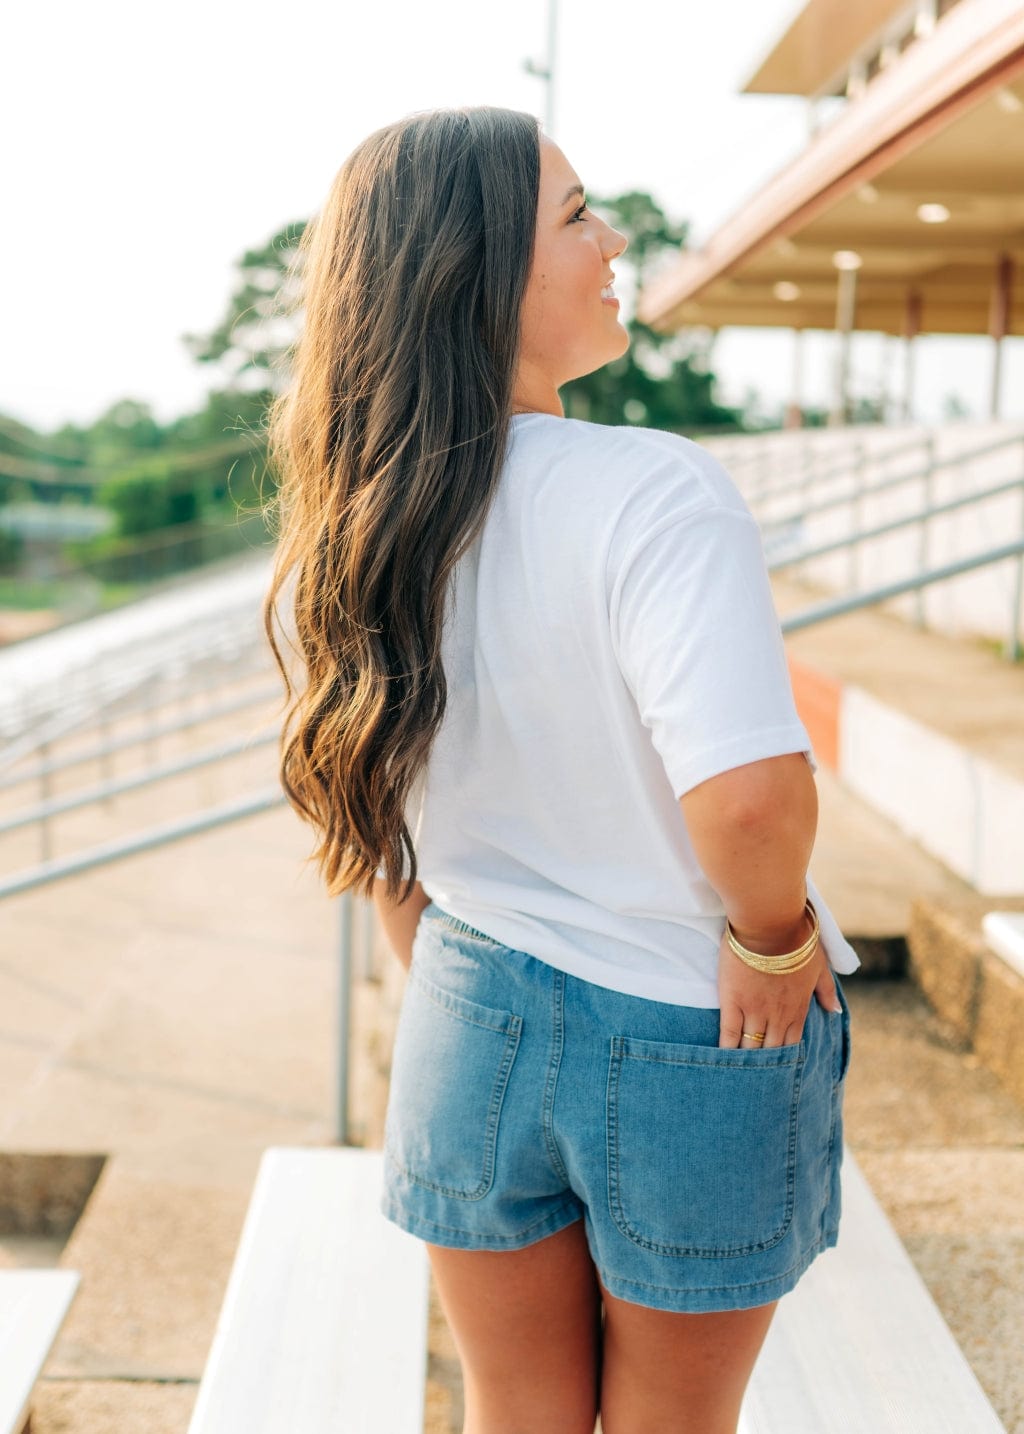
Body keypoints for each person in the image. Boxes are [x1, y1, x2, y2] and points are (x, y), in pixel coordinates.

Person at [263, 105, 858, 1434]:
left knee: (513, 1408)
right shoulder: (653, 491)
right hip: (695, 1020)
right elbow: (749, 797)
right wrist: (774, 940)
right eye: (579, 216)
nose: (616, 241)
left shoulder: (355, 528)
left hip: (469, 1001)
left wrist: (462, 986)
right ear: (477, 273)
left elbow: (381, 824)